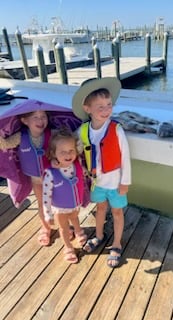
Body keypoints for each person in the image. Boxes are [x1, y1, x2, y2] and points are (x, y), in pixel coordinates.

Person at [72, 77, 131, 268]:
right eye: (100, 107)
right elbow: (75, 149)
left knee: (117, 212)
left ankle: (117, 243)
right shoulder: (82, 130)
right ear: (87, 108)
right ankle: (99, 235)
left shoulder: (116, 129)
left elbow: (125, 158)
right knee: (100, 209)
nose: (106, 110)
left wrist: (125, 182)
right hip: (97, 182)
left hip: (115, 183)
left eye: (109, 105)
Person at [0, 110, 75, 246]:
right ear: (24, 120)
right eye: (36, 117)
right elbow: (5, 144)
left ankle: (66, 225)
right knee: (42, 204)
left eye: (43, 117)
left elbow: (68, 139)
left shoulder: (52, 134)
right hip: (37, 181)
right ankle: (45, 228)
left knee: (60, 203)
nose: (41, 121)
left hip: (55, 179)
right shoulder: (19, 137)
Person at [42, 128, 87, 264]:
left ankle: (78, 231)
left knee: (75, 218)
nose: (68, 154)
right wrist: (48, 214)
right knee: (64, 228)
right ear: (53, 153)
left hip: (74, 204)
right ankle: (68, 247)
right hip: (59, 209)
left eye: (71, 150)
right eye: (62, 152)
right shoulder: (51, 173)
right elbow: (46, 195)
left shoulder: (77, 165)